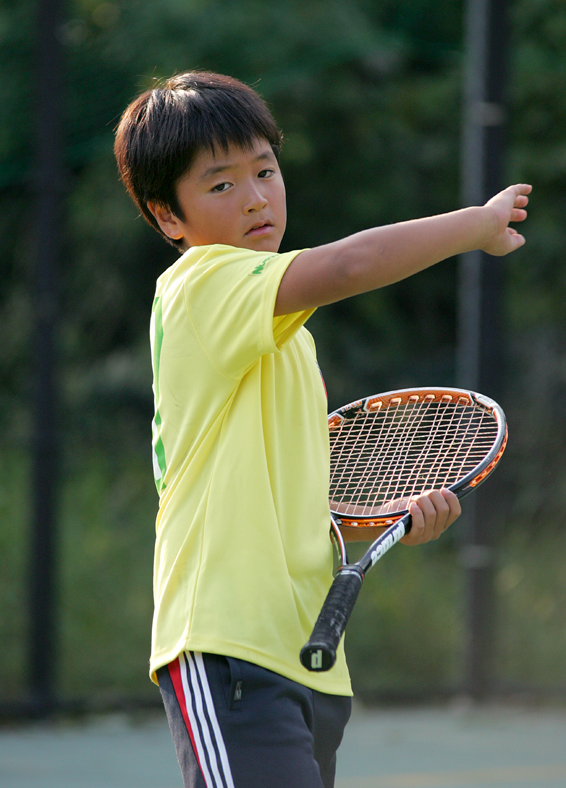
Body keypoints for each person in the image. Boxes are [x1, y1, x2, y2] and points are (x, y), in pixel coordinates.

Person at [113, 71, 530, 788]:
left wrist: (384, 526)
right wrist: (476, 225)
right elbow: (351, 264)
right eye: (220, 185)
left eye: (265, 171)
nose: (255, 197)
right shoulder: (199, 285)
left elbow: (287, 506)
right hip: (227, 647)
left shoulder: (286, 338)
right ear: (167, 216)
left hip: (309, 660)